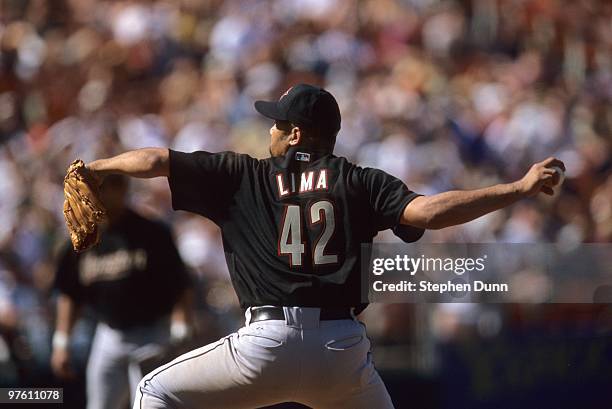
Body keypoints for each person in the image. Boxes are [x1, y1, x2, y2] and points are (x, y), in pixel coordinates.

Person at [84, 84, 564, 409]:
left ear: (294, 134)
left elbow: (152, 158)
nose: (268, 130)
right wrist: (519, 189)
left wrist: (97, 167)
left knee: (154, 391)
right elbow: (431, 214)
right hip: (342, 351)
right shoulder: (359, 180)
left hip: (265, 346)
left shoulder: (242, 175)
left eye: (276, 124)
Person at [51, 173, 193, 409]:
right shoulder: (83, 238)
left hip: (152, 334)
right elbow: (69, 293)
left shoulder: (151, 232)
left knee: (151, 404)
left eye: (109, 187)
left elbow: (180, 283)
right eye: (97, 188)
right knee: (99, 404)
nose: (102, 194)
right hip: (109, 334)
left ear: (124, 188)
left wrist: (181, 326)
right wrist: (61, 342)